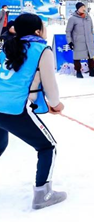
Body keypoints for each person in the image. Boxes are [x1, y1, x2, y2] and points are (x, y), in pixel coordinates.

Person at [0, 13, 67, 209]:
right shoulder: (42, 49)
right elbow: (50, 84)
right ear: (38, 31)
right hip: (15, 108)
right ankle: (42, 195)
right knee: (48, 146)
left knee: (1, 143)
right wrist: (56, 104)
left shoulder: (7, 46)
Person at [66, 2, 94, 79]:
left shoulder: (88, 17)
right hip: (78, 41)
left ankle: (92, 70)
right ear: (78, 8)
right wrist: (70, 41)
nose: (83, 8)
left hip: (89, 40)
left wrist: (93, 38)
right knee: (77, 57)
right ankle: (78, 72)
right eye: (81, 7)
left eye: (84, 7)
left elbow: (91, 29)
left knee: (90, 56)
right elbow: (68, 31)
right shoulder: (72, 19)